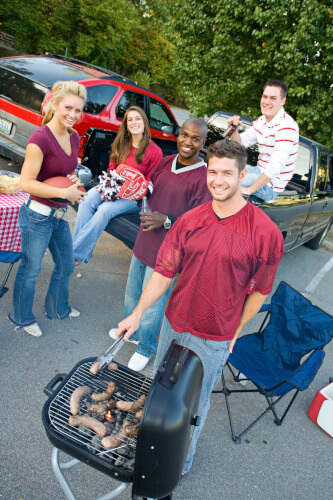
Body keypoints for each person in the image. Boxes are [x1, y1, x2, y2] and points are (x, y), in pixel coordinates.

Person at [114, 139, 285, 474]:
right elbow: (164, 271)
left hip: (214, 335)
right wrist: (136, 314)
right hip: (174, 322)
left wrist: (236, 331)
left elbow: (261, 290)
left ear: (242, 174)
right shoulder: (190, 220)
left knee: (193, 403)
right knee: (159, 389)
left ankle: (180, 463)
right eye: (213, 172)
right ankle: (146, 448)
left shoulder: (266, 233)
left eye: (227, 173)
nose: (217, 180)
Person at [109, 118, 212, 371]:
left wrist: (167, 220)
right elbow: (148, 191)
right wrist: (132, 191)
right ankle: (130, 332)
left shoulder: (203, 177)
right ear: (178, 134)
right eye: (184, 135)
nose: (188, 142)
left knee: (153, 301)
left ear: (203, 142)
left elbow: (200, 222)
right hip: (145, 239)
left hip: (169, 251)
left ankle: (146, 346)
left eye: (195, 138)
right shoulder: (166, 162)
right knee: (133, 292)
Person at [9, 81, 88, 337]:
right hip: (36, 216)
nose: (73, 115)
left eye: (78, 110)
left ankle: (56, 309)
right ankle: (21, 316)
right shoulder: (39, 138)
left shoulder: (74, 136)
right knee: (31, 269)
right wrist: (64, 192)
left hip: (59, 216)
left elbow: (68, 171)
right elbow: (26, 183)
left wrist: (74, 181)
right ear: (54, 104)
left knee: (66, 264)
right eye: (68, 108)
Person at [72, 106, 163, 265]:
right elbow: (112, 169)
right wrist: (112, 189)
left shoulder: (155, 151)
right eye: (130, 119)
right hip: (114, 186)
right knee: (86, 200)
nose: (134, 122)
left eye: (138, 118)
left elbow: (150, 183)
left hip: (134, 198)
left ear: (144, 122)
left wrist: (129, 190)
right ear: (126, 125)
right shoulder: (121, 143)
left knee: (104, 210)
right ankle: (78, 252)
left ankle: (74, 253)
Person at [228, 79, 299, 201]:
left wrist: (249, 190)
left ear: (283, 101)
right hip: (258, 170)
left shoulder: (287, 127)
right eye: (265, 96)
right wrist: (234, 130)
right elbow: (241, 143)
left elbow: (276, 166)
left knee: (224, 181)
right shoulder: (262, 121)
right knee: (216, 170)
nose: (266, 102)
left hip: (270, 185)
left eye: (273, 98)